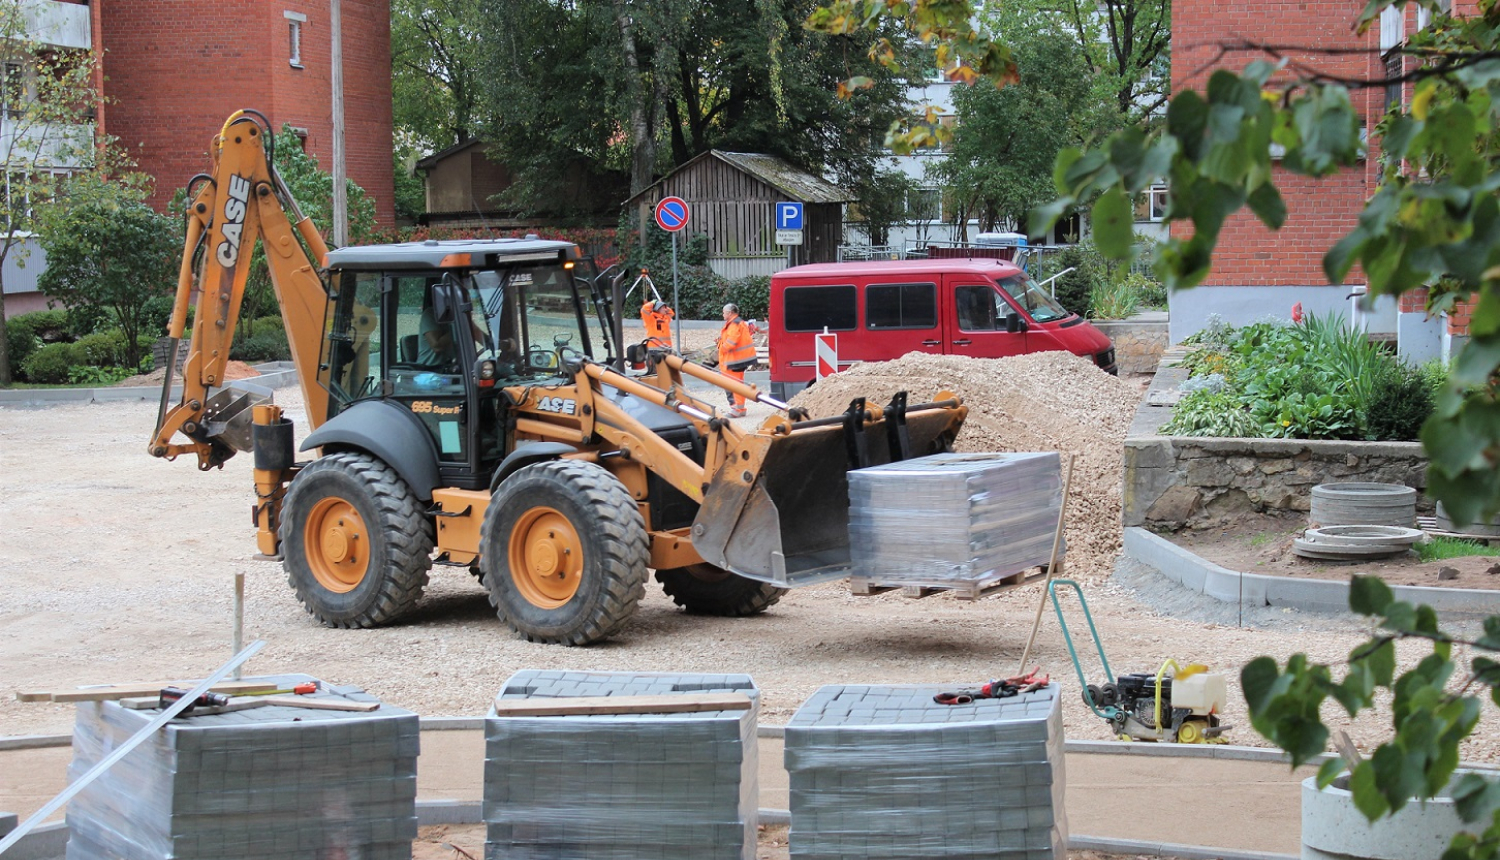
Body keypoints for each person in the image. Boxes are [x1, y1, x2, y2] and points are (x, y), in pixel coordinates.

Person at [716, 303, 757, 418]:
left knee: (733, 385)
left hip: (733, 360)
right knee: (737, 384)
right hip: (738, 360)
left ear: (729, 313)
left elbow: (731, 342)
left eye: (724, 312)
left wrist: (722, 348)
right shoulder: (738, 322)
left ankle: (737, 409)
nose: (722, 314)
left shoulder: (734, 324)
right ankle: (740, 409)